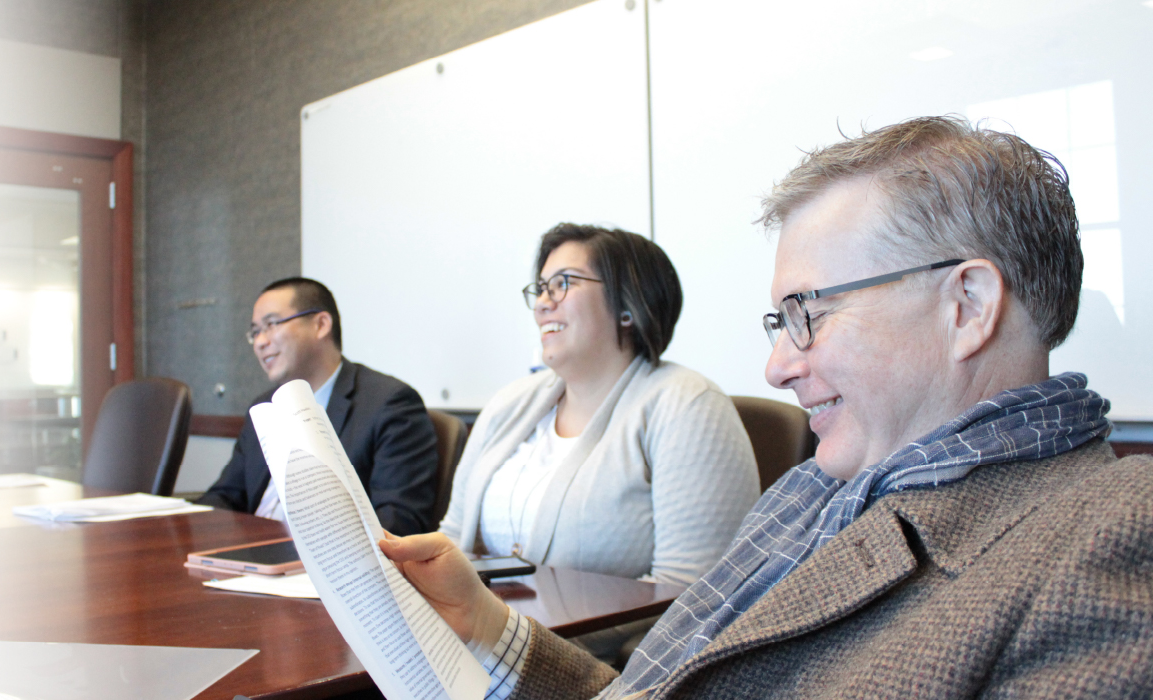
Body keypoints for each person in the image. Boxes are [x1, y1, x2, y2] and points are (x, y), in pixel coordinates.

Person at [380, 116, 1153, 698]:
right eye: (779, 323)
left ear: (968, 305)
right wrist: (488, 626)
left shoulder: (1112, 534)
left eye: (807, 313)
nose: (778, 366)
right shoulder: (818, 488)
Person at [438, 223, 760, 659]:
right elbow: (454, 538)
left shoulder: (687, 404)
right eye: (540, 288)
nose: (543, 304)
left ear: (628, 305)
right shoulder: (508, 404)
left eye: (563, 283)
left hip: (588, 668)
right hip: (475, 649)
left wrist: (507, 638)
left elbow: (691, 597)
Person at [195, 277, 442, 535]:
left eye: (271, 324)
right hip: (252, 557)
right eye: (255, 331)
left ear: (321, 325)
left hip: (325, 567)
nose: (260, 342)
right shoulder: (264, 407)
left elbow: (397, 523)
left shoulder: (390, 404)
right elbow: (225, 496)